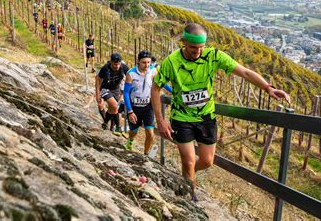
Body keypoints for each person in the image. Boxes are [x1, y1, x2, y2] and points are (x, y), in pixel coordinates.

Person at [151, 23, 291, 201]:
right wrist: (161, 120)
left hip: (206, 117)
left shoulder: (213, 56)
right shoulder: (172, 61)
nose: (198, 52)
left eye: (201, 47)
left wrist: (268, 88)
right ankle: (190, 198)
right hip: (182, 117)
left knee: (207, 161)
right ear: (184, 42)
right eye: (193, 48)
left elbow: (245, 72)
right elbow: (155, 89)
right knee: (188, 161)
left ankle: (188, 175)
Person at [123, 50, 171, 155]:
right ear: (138, 61)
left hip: (148, 106)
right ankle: (130, 141)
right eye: (144, 62)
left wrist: (173, 92)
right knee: (133, 131)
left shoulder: (153, 71)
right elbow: (126, 93)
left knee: (150, 133)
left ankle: (145, 154)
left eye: (149, 62)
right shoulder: (131, 74)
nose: (147, 65)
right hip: (134, 106)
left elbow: (162, 83)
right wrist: (130, 111)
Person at [96, 53, 129, 133]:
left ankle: (105, 123)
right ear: (111, 62)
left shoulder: (124, 67)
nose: (117, 66)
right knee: (115, 106)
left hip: (116, 89)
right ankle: (118, 127)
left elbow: (130, 77)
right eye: (115, 64)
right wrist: (97, 93)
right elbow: (98, 79)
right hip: (105, 89)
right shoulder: (105, 68)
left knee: (111, 110)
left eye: (118, 64)